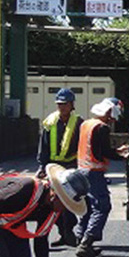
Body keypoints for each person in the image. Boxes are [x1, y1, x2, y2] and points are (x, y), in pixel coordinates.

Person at [75, 98, 129, 257]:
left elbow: (93, 148)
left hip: (81, 170)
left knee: (87, 207)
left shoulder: (86, 124)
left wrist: (115, 151)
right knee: (102, 206)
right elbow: (103, 152)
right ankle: (87, 243)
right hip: (94, 172)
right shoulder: (102, 127)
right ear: (110, 111)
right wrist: (121, 154)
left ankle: (80, 237)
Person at [36, 87, 83, 247]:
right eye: (59, 104)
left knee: (69, 200)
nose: (61, 107)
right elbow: (43, 146)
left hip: (70, 167)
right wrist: (42, 166)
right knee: (52, 202)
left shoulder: (79, 123)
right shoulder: (50, 122)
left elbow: (82, 146)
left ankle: (69, 231)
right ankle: (63, 233)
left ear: (71, 104)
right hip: (52, 168)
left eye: (65, 104)